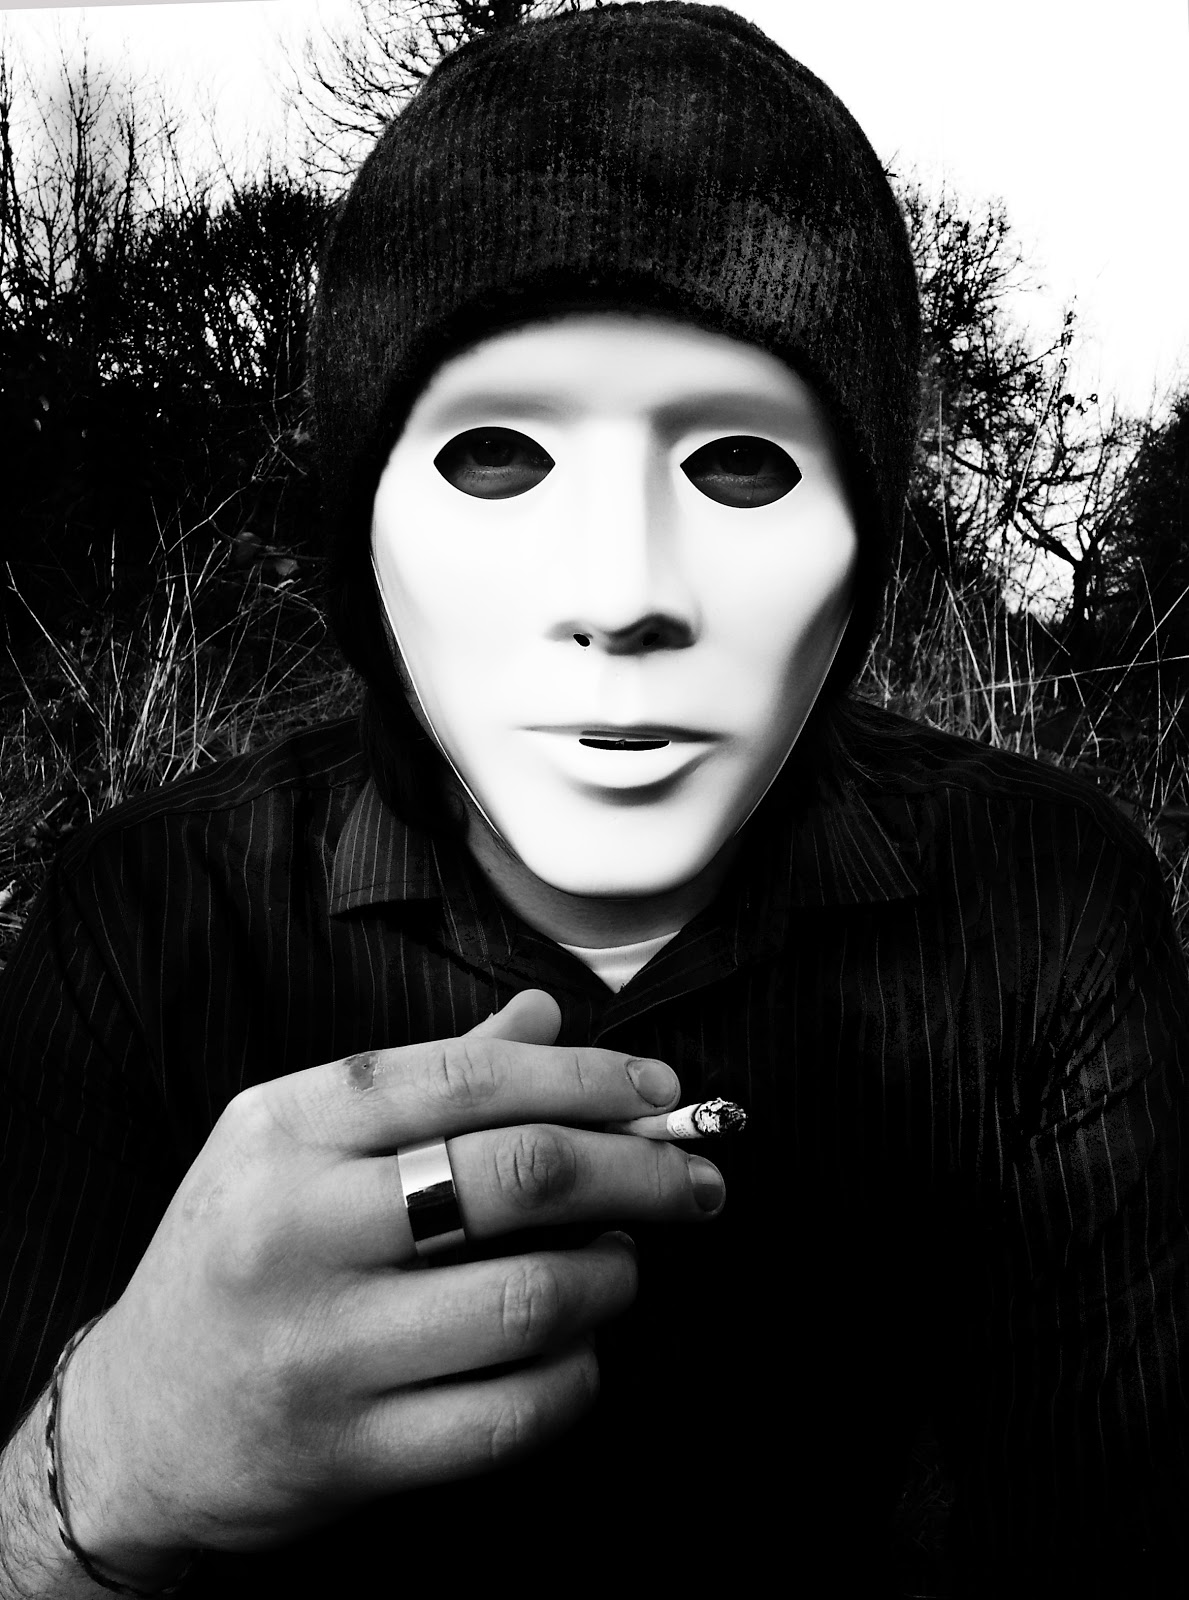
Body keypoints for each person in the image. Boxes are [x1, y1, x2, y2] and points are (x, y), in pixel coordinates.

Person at [2, 5, 1187, 1596]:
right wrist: (92, 1475)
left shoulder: (1046, 909)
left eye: (740, 463)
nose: (621, 595)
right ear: (360, 529)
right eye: (497, 457)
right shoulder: (145, 921)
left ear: (865, 540)